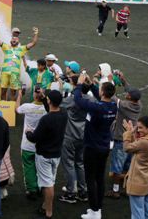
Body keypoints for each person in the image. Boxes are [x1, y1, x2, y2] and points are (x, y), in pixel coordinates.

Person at [74, 76, 118, 219]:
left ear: (103, 93)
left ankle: (94, 211)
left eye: (99, 89)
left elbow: (78, 100)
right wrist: (92, 84)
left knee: (90, 179)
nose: (97, 90)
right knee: (99, 178)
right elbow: (101, 97)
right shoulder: (113, 106)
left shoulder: (97, 108)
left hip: (92, 147)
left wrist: (79, 84)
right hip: (104, 147)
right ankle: (98, 208)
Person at [26, 90, 68, 219]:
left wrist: (28, 132)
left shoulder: (46, 119)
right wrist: (45, 98)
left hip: (44, 155)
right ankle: (45, 205)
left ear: (50, 101)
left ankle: (48, 212)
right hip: (56, 153)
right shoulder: (64, 114)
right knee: (50, 181)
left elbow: (34, 138)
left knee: (47, 184)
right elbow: (51, 108)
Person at [59, 72, 91, 204]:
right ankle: (83, 191)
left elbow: (58, 103)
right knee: (80, 163)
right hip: (83, 135)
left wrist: (62, 88)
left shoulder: (72, 100)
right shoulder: (90, 99)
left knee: (69, 165)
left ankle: (71, 193)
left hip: (70, 135)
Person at [107, 88, 142, 199]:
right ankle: (127, 187)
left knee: (117, 166)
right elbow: (132, 91)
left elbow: (112, 97)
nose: (126, 94)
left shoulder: (124, 105)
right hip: (133, 139)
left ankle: (115, 190)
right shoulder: (139, 104)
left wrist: (107, 79)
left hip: (122, 139)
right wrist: (123, 80)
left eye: (128, 94)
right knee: (128, 164)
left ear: (130, 97)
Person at [123, 116, 148, 219]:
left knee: (137, 215)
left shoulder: (144, 142)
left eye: (141, 128)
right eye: (137, 127)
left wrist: (128, 133)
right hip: (147, 181)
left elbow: (126, 148)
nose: (138, 130)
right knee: (147, 212)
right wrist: (132, 133)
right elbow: (137, 146)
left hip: (138, 182)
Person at [16, 87, 47, 200]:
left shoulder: (27, 107)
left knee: (28, 167)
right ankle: (40, 187)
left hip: (27, 143)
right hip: (41, 143)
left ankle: (31, 189)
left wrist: (19, 95)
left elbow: (17, 109)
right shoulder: (46, 109)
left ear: (34, 95)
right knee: (40, 167)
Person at [0, 26, 39, 101]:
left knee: (13, 92)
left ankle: (11, 108)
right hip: (5, 72)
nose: (14, 39)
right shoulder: (6, 47)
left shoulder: (22, 49)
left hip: (15, 74)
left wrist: (36, 33)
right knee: (3, 91)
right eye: (13, 39)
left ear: (18, 42)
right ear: (10, 41)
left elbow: (33, 43)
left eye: (16, 39)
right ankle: (3, 106)